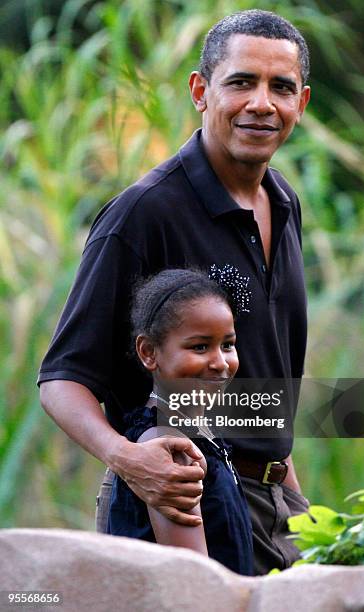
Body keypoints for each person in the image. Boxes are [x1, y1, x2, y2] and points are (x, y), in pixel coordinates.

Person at [38, 9, 311, 574]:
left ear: (300, 104)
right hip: (184, 501)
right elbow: (63, 378)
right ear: (200, 91)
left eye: (280, 87)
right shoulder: (144, 214)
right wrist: (132, 460)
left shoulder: (284, 204)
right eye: (241, 82)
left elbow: (264, 392)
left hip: (276, 499)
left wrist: (301, 511)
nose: (262, 103)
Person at [108, 268, 254, 575]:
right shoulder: (167, 449)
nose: (220, 363)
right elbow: (194, 582)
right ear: (149, 352)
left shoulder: (200, 433)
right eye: (199, 347)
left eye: (227, 345)